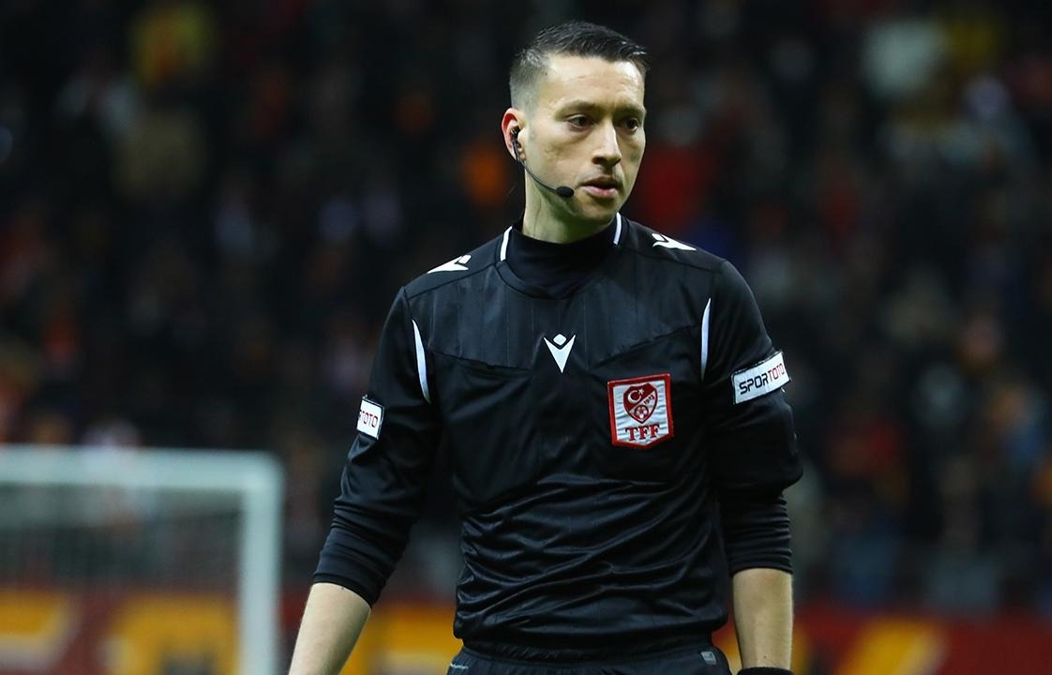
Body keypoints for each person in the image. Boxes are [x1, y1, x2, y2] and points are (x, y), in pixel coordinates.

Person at [288, 21, 802, 675]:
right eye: (581, 121)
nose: (610, 149)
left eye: (630, 123)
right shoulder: (432, 312)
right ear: (517, 136)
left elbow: (756, 513)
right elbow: (367, 524)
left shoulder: (707, 296)